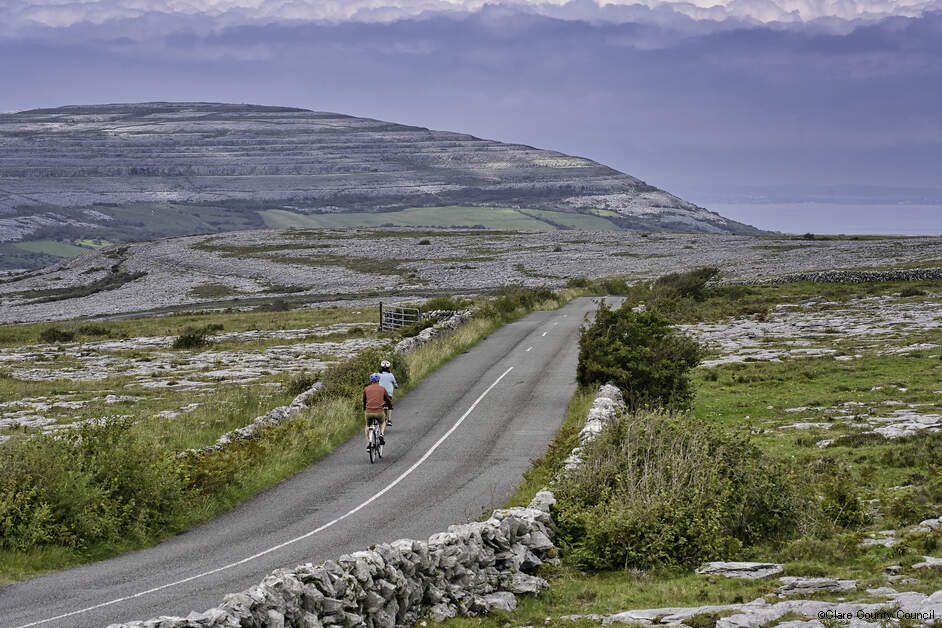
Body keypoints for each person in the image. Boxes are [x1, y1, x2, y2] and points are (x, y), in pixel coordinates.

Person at [363, 373, 392, 450]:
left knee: (367, 426)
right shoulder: (382, 388)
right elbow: (387, 399)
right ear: (378, 380)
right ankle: (381, 434)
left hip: (369, 412)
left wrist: (365, 409)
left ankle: (368, 444)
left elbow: (364, 401)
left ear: (370, 380)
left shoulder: (366, 389)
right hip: (379, 411)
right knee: (382, 422)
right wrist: (390, 406)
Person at [377, 359, 398, 427]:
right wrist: (396, 386)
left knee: (379, 405)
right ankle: (389, 420)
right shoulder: (391, 375)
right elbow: (395, 383)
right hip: (388, 394)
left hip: (380, 393)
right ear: (389, 367)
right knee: (389, 406)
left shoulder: (378, 374)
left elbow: (372, 377)